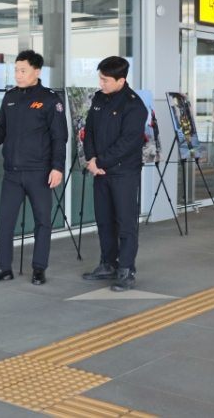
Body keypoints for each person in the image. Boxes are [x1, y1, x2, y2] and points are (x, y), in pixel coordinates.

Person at [0, 50, 68, 285]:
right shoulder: (10, 97)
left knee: (42, 221)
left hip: (39, 172)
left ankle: (39, 268)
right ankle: (3, 267)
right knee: (5, 221)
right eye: (16, 70)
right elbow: (0, 132)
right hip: (12, 174)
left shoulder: (50, 100)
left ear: (37, 71)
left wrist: (57, 168)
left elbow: (59, 138)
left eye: (23, 70)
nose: (18, 75)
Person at [81, 56, 146, 292]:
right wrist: (91, 160)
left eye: (106, 80)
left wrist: (100, 161)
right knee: (104, 221)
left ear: (121, 80)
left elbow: (128, 142)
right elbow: (88, 131)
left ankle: (126, 270)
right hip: (100, 171)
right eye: (100, 79)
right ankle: (108, 264)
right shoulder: (99, 99)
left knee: (125, 223)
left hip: (123, 173)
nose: (101, 84)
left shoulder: (134, 105)